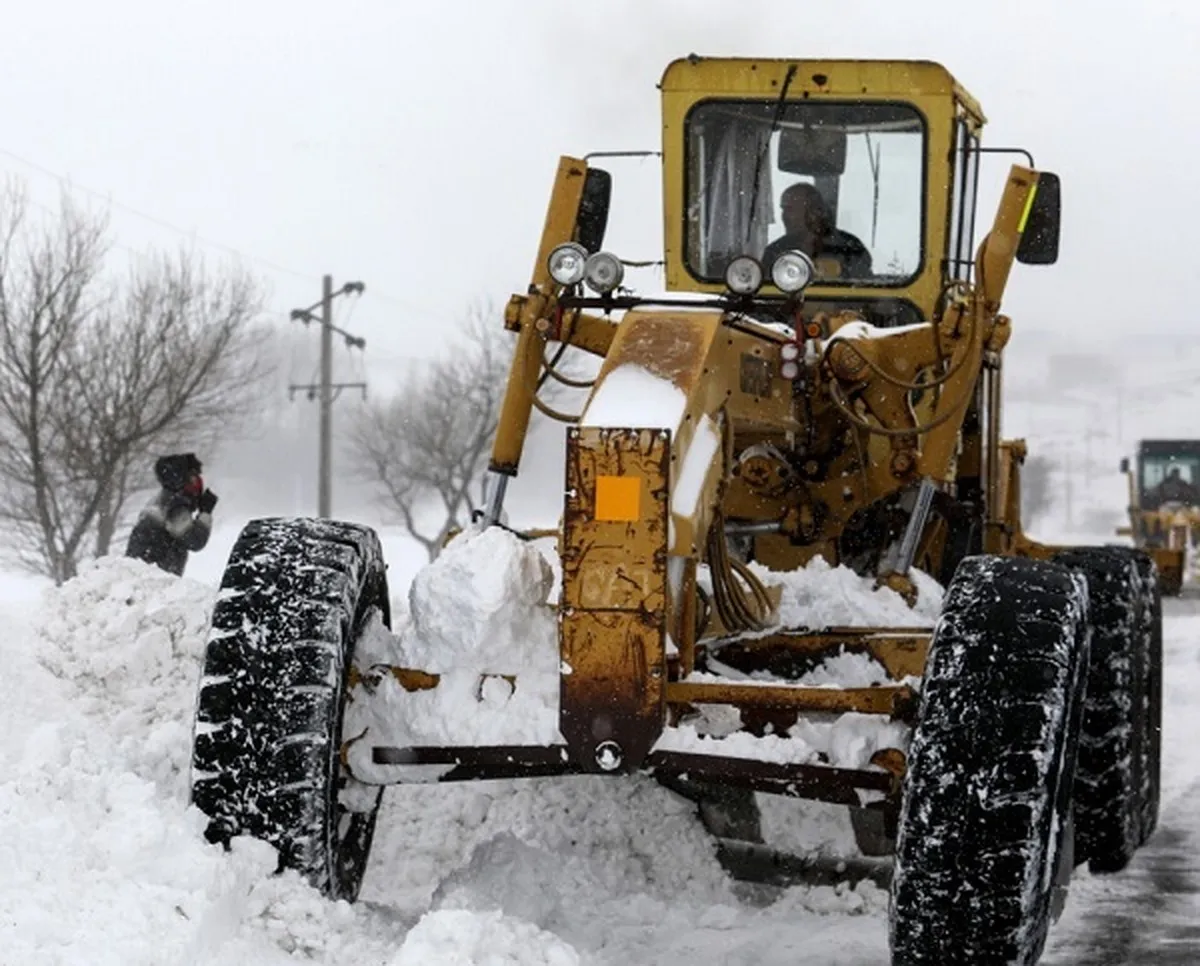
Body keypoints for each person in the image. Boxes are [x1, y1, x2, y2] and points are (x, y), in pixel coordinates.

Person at [125, 452, 218, 576]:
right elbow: (195, 541)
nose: (198, 481)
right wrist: (205, 512)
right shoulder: (176, 506)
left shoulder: (163, 499)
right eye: (194, 476)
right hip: (153, 579)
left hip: (139, 574)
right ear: (182, 479)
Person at [761, 182, 873, 279]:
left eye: (790, 210)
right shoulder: (776, 251)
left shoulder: (850, 248)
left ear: (814, 212)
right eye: (784, 209)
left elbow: (864, 293)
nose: (784, 216)